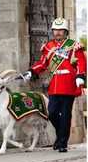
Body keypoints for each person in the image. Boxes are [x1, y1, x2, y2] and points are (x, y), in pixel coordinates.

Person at [24, 17, 86, 153]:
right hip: (54, 84)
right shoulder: (49, 46)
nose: (57, 32)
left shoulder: (73, 45)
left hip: (68, 84)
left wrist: (80, 76)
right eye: (55, 30)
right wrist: (32, 71)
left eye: (60, 30)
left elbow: (81, 61)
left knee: (65, 115)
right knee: (51, 113)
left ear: (65, 32)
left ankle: (62, 143)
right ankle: (61, 136)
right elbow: (43, 63)